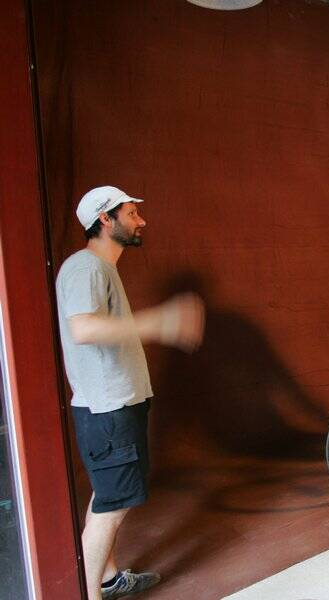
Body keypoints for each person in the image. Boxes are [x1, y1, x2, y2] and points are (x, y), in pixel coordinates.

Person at [55, 186, 205, 600]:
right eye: (132, 213)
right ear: (106, 219)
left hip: (115, 406)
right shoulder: (86, 267)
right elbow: (83, 328)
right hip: (109, 411)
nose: (141, 221)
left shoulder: (99, 269)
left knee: (108, 500)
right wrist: (158, 321)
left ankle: (108, 581)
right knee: (112, 507)